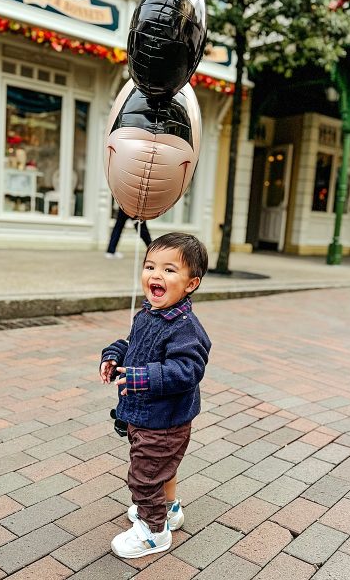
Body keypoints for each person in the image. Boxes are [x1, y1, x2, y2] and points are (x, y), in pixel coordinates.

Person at [99, 232, 211, 559]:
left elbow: (189, 369)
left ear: (191, 284)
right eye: (150, 266)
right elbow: (131, 345)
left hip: (165, 421)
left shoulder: (185, 327)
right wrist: (113, 355)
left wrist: (144, 375)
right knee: (163, 469)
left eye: (169, 270)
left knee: (145, 477)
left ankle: (153, 531)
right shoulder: (147, 314)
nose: (156, 275)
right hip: (144, 415)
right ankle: (170, 510)